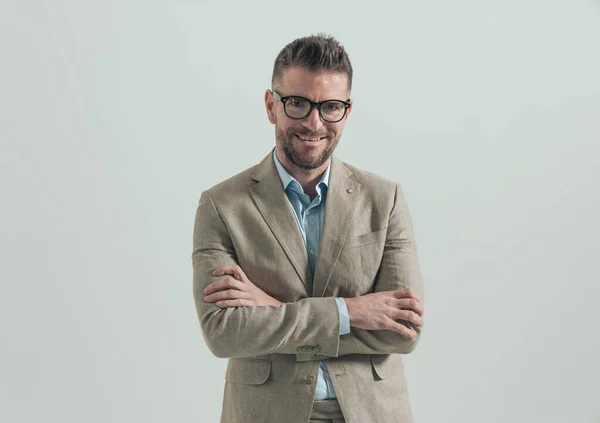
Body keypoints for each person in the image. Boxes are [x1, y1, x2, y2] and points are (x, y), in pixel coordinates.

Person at [192, 34, 425, 423]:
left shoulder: (386, 200)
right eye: (297, 103)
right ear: (271, 105)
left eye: (330, 106)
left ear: (347, 112)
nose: (314, 123)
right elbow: (224, 332)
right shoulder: (221, 206)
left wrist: (270, 309)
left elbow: (402, 330)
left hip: (372, 411)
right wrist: (350, 312)